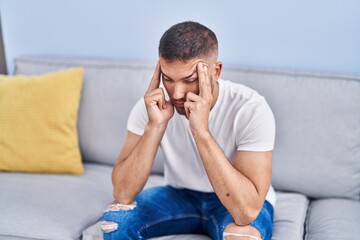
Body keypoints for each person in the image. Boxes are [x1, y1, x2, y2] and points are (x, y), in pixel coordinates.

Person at [102, 21, 276, 240]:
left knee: (243, 236)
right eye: (168, 79)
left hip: (233, 202)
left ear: (216, 71)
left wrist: (201, 131)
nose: (177, 94)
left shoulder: (251, 109)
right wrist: (154, 126)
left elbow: (245, 212)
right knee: (115, 222)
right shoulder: (152, 107)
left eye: (190, 80)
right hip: (179, 195)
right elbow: (122, 193)